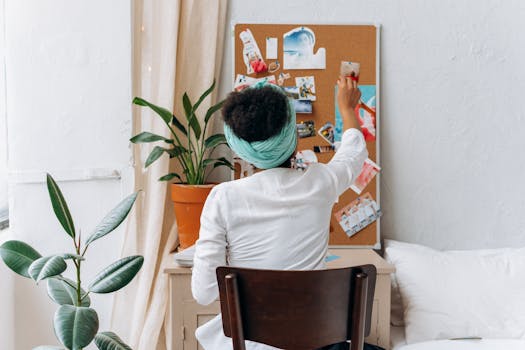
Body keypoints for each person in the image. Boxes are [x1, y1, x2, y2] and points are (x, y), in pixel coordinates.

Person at [191, 76, 368, 350]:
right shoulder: (321, 182)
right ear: (294, 137)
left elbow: (204, 293)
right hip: (314, 343)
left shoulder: (223, 199)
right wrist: (346, 109)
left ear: (242, 152)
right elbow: (354, 153)